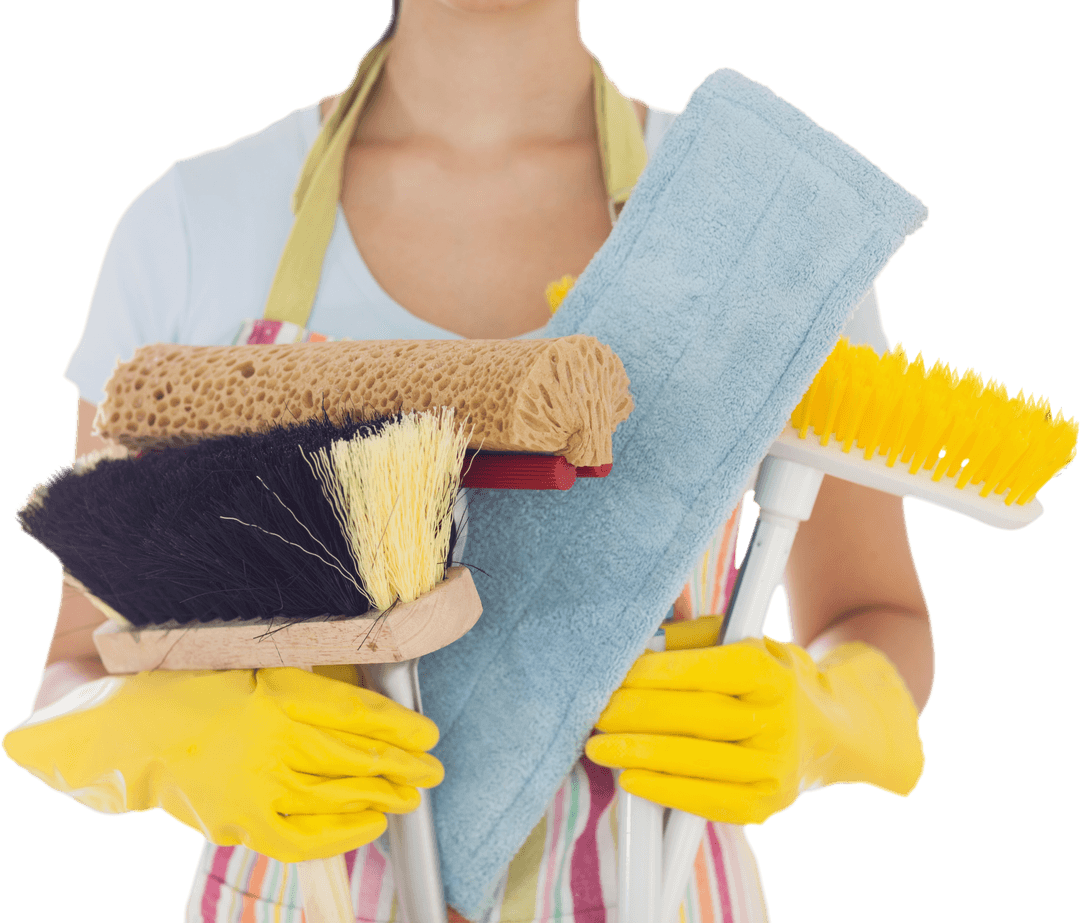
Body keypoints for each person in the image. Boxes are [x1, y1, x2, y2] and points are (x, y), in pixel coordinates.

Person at [3, 2, 934, 921]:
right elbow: (76, 661)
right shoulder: (195, 227)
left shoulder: (763, 229)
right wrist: (177, 737)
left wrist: (821, 717)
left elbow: (875, 612)